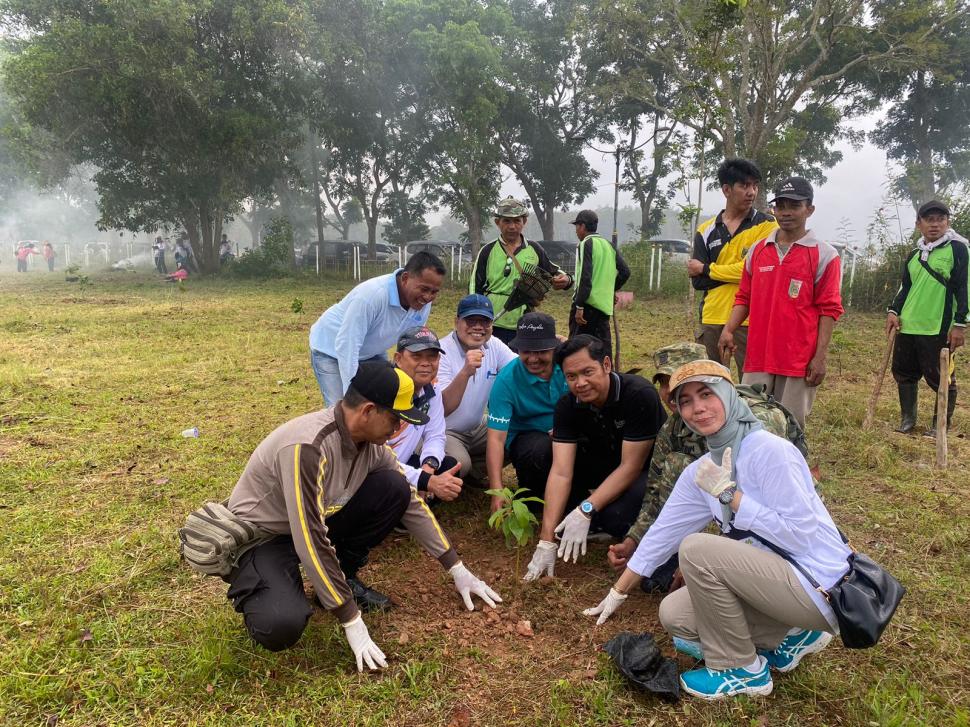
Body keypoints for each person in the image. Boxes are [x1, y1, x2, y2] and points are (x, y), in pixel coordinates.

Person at [583, 360, 851, 700]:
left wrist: (732, 497)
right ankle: (791, 636)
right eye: (686, 401)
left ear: (728, 394)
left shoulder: (771, 451)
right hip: (777, 582)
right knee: (676, 614)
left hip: (822, 586)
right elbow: (663, 534)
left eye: (706, 394)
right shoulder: (703, 469)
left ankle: (743, 670)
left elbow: (801, 535)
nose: (697, 408)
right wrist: (617, 592)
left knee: (697, 548)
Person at [222, 361, 500, 668]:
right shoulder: (308, 446)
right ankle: (260, 581)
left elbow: (409, 502)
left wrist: (456, 568)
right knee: (281, 623)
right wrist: (350, 618)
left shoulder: (371, 446)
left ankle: (342, 575)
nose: (399, 429)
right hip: (265, 538)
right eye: (395, 419)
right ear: (368, 411)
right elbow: (310, 537)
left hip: (309, 525)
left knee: (394, 486)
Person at [608, 342, 807, 590]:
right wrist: (634, 539)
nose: (671, 389)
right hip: (714, 520)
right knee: (652, 578)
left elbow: (760, 498)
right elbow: (656, 492)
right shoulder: (675, 427)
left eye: (681, 379)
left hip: (778, 531)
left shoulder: (757, 419)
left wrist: (706, 554)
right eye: (664, 382)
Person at [522, 335, 666, 581]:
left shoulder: (638, 394)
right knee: (543, 453)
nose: (581, 383)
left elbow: (631, 466)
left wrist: (586, 509)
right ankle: (582, 517)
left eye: (588, 372)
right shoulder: (568, 405)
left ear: (607, 365)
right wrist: (546, 542)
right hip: (602, 463)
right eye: (571, 377)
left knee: (616, 518)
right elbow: (561, 471)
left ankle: (601, 518)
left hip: (645, 470)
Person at [719, 176, 843, 428]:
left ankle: (791, 468)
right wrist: (729, 329)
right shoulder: (758, 250)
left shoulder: (825, 255)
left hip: (797, 360)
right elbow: (744, 296)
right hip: (758, 355)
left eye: (794, 206)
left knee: (790, 427)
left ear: (809, 209)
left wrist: (820, 357)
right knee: (751, 423)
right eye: (780, 206)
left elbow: (828, 310)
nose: (786, 213)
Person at [309, 251, 445, 406]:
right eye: (424, 289)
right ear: (405, 278)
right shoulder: (372, 296)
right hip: (331, 349)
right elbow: (347, 345)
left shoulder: (422, 303)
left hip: (371, 351)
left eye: (434, 292)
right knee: (341, 410)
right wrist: (352, 396)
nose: (428, 297)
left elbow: (413, 343)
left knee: (386, 400)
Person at [688, 159, 777, 378]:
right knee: (712, 384)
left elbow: (758, 271)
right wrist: (738, 273)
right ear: (727, 190)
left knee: (753, 387)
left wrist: (708, 269)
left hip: (750, 319)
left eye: (755, 186)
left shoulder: (767, 226)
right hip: (712, 317)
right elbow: (698, 282)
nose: (752, 192)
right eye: (744, 186)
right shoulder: (705, 230)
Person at [887, 199, 967, 436]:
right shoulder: (914, 254)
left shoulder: (958, 249)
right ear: (918, 224)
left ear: (947, 222)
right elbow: (906, 287)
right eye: (929, 220)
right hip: (909, 325)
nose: (935, 225)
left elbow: (965, 287)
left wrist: (960, 323)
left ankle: (939, 424)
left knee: (942, 378)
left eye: (940, 219)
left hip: (938, 327)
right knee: (904, 374)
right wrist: (893, 311)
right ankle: (908, 421)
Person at [485, 312, 568, 513]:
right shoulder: (507, 380)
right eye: (526, 351)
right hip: (529, 438)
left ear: (554, 347)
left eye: (541, 351)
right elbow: (496, 439)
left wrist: (566, 428)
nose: (533, 358)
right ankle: (536, 496)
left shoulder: (569, 365)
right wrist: (496, 488)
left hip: (568, 430)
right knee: (536, 452)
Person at [436, 294, 517, 482]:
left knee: (518, 433)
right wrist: (465, 372)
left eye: (485, 321)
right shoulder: (441, 351)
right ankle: (460, 470)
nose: (478, 327)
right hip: (445, 430)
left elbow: (519, 370)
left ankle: (472, 475)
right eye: (471, 320)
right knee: (459, 464)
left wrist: (548, 350)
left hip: (476, 426)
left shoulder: (493, 345)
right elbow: (444, 407)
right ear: (457, 321)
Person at [469, 196, 573, 345]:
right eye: (507, 221)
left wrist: (567, 279)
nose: (512, 226)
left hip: (524, 323)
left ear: (524, 221)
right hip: (492, 322)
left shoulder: (534, 249)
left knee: (520, 363)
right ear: (497, 222)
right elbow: (474, 287)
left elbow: (553, 271)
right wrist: (476, 317)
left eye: (517, 221)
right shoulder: (488, 250)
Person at [387, 326, 464, 501]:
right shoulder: (385, 390)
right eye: (416, 356)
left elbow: (435, 434)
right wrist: (424, 480)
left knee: (449, 467)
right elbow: (376, 459)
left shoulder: (432, 388)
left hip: (403, 465)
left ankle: (414, 501)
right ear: (398, 359)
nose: (426, 363)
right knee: (390, 483)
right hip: (378, 469)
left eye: (432, 356)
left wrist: (429, 466)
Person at [568, 210, 631, 357]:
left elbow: (585, 276)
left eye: (577, 226)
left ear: (582, 226)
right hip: (603, 308)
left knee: (577, 350)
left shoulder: (586, 243)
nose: (576, 230)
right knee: (603, 351)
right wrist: (610, 290)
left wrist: (579, 305)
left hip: (586, 308)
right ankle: (608, 378)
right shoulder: (608, 244)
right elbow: (625, 272)